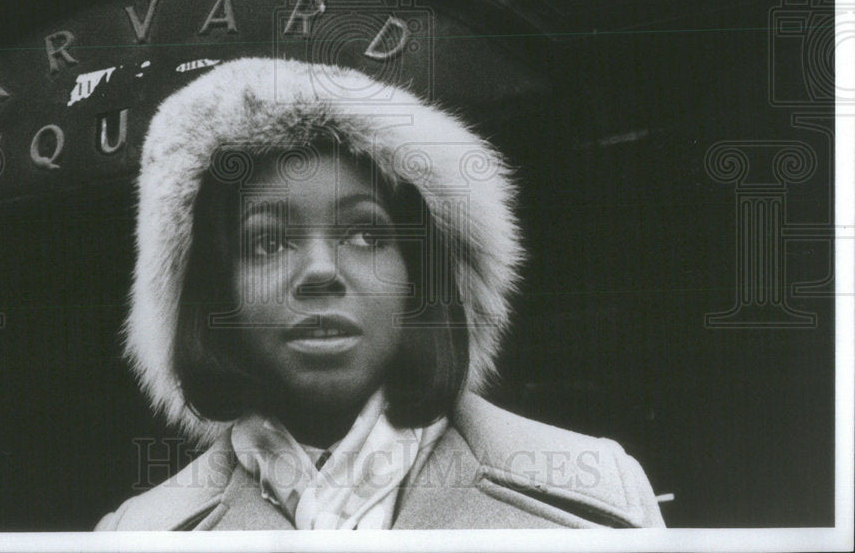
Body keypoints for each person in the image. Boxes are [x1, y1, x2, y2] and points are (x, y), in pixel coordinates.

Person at [96, 57, 665, 530]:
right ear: (216, 293)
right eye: (267, 242)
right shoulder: (137, 534)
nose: (320, 272)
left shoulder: (595, 496)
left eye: (366, 233)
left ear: (419, 273)